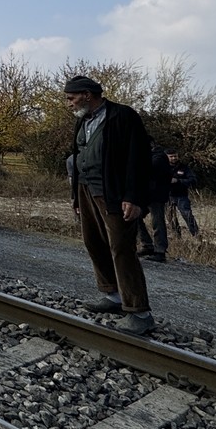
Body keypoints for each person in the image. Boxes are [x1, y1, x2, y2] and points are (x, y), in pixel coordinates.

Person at [64, 75, 155, 336]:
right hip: (86, 190)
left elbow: (139, 158)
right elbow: (78, 157)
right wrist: (76, 197)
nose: (69, 103)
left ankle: (139, 312)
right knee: (94, 242)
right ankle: (112, 295)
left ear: (87, 95)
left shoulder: (123, 116)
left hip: (113, 193)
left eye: (71, 98)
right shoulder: (83, 119)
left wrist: (134, 197)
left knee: (121, 248)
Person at [137, 142, 173, 262]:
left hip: (156, 195)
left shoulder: (159, 156)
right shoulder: (151, 155)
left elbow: (150, 168)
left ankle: (160, 250)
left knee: (157, 222)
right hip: (146, 195)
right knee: (135, 218)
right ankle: (147, 245)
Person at [166, 149, 201, 238]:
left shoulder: (184, 168)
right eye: (171, 156)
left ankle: (196, 235)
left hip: (181, 196)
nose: (174, 158)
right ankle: (177, 237)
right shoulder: (162, 167)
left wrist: (178, 181)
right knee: (171, 217)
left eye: (175, 156)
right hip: (167, 196)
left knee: (187, 215)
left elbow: (193, 180)